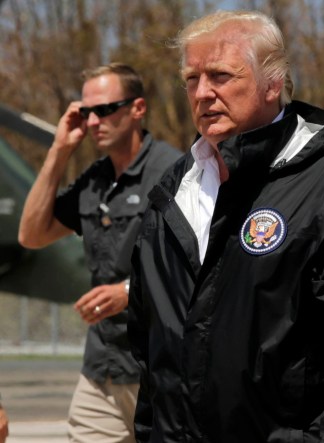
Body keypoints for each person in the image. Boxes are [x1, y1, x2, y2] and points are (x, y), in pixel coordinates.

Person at [126, 10, 324, 443]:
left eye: (220, 75)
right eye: (191, 79)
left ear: (272, 83)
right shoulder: (171, 195)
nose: (202, 93)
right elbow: (151, 352)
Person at [17, 63, 181, 442]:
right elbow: (31, 234)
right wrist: (59, 150)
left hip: (162, 370)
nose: (93, 121)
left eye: (105, 109)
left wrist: (126, 292)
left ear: (137, 108)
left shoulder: (175, 172)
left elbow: (200, 263)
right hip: (101, 374)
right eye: (86, 112)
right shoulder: (94, 181)